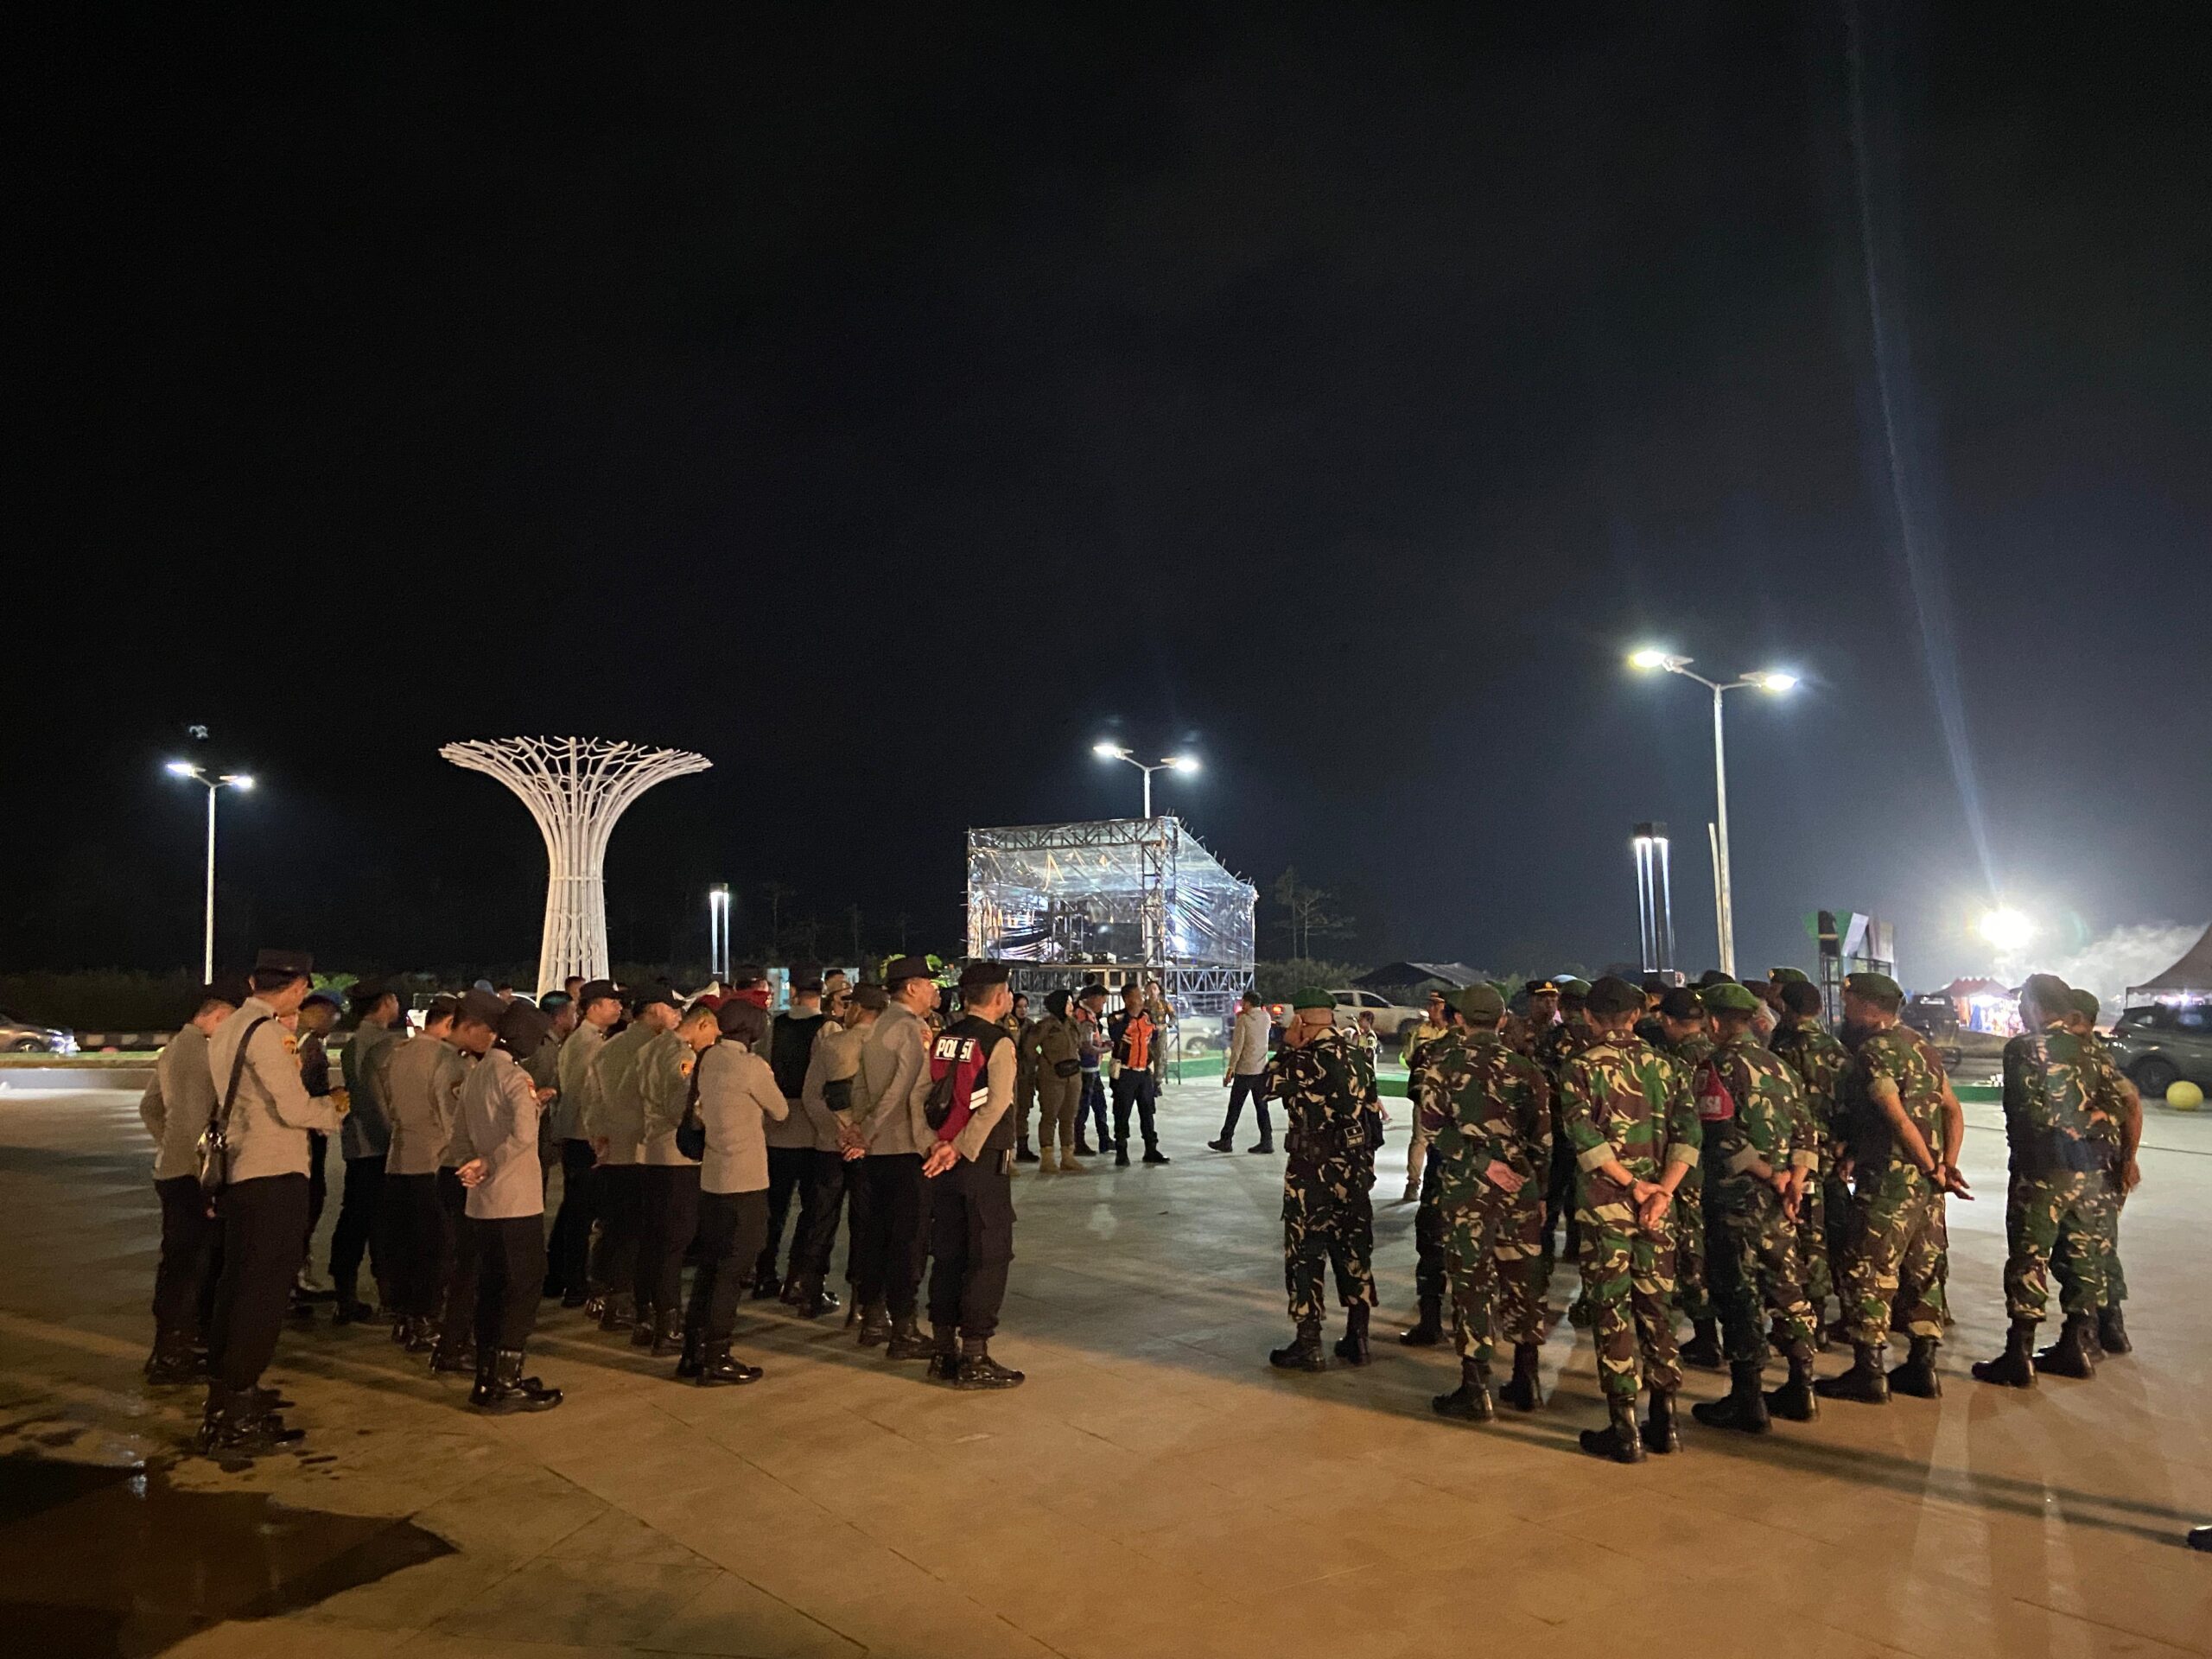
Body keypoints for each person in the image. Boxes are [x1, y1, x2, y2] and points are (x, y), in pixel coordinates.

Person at [196, 949, 340, 1456]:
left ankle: (230, 1394)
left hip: (244, 1173)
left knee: (237, 1286)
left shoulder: (230, 1026)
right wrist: (334, 1108)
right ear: (297, 988)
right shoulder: (267, 1033)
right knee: (261, 1293)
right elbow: (295, 1107)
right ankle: (235, 1414)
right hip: (273, 1174)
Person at [1556, 975, 1700, 1463]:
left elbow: (1584, 1137)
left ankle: (1624, 1428)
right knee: (1658, 1308)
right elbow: (1688, 1137)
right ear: (1637, 1015)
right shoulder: (1669, 1066)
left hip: (1606, 1207)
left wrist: (1631, 1184)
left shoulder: (1578, 1068)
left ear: (1588, 1016)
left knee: (1611, 1311)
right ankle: (1666, 1421)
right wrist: (1662, 1192)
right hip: (1659, 1208)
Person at [1820, 972, 1969, 1404]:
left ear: (1868, 1006)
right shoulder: (1923, 1047)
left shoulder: (1875, 1050)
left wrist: (1929, 1165)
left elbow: (1896, 1116)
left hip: (1891, 1180)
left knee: (1868, 1269)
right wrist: (1945, 1166)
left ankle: (1869, 1372)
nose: (1845, 1007)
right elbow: (1953, 1110)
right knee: (1924, 1271)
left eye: (1850, 1000)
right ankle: (1922, 1366)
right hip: (1927, 1186)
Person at [1686, 982, 1821, 1433]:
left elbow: (1721, 1138)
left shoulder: (1715, 1067)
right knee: (1786, 1287)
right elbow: (1807, 1132)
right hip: (1781, 1204)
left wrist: (1771, 1175)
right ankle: (1802, 1387)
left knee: (1738, 1293)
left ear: (1716, 1021)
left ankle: (1748, 1400)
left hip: (1736, 1201)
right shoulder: (1781, 1067)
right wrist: (1794, 1180)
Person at [1421, 984, 1551, 1422]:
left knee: (1472, 1281)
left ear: (1459, 1020)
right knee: (1524, 1279)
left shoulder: (1443, 1065)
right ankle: (1527, 1380)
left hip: (1468, 1191)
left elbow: (1433, 1128)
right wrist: (1539, 1191)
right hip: (1520, 1188)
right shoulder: (1526, 1069)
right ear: (1502, 1021)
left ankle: (1476, 1388)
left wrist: (1480, 1162)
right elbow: (1543, 1140)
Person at [1974, 972, 2108, 1388]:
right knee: (2081, 1253)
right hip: (2088, 1171)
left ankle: (2019, 1355)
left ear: (2034, 1006)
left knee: (2030, 1256)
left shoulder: (2023, 1049)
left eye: (2022, 1004)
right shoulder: (2093, 1050)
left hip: (2041, 1169)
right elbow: (2121, 1102)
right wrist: (2092, 1123)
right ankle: (2076, 1345)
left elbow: (2028, 1114)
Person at [449, 991, 562, 1413]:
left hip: (482, 1201)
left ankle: (486, 1375)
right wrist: (490, 1162)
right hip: (516, 1200)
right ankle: (506, 1380)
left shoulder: (477, 1073)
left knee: (491, 1289)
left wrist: (471, 1163)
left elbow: (460, 1133)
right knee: (522, 1287)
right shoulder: (515, 1078)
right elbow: (522, 1138)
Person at [921, 961, 1027, 1387]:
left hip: (939, 1160)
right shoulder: (997, 1041)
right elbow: (996, 1103)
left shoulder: (943, 1037)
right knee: (988, 1254)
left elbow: (919, 1095)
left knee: (948, 1253)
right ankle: (974, 1356)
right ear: (999, 997)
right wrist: (960, 1147)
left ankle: (943, 1351)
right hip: (980, 1161)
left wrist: (934, 1144)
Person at [1267, 989, 1378, 1371]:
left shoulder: (1304, 1060)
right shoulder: (1359, 1056)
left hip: (1311, 1172)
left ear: (1300, 1021)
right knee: (1354, 1250)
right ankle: (1358, 1339)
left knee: (1306, 1252)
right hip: (1354, 1168)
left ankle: (1309, 1344)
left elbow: (1263, 1086)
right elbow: (1371, 1115)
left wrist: (1286, 1047)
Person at [139, 979, 241, 1384]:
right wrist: (201, 1165)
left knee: (177, 1262)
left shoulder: (172, 1050)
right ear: (218, 1016)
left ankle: (170, 1348)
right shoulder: (206, 1054)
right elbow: (206, 1121)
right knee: (190, 1266)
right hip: (192, 1175)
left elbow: (149, 1107)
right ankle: (175, 1354)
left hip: (170, 1170)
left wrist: (169, 1144)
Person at [683, 997, 789, 1382]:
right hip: (745, 1179)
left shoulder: (709, 1060)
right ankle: (717, 1354)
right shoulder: (750, 1066)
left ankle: (694, 1351)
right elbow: (780, 1110)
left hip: (713, 1178)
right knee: (733, 1269)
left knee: (711, 1267)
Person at [841, 955, 941, 1359]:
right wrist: (867, 1129)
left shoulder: (878, 1025)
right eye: (929, 983)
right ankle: (904, 1327)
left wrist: (859, 1127)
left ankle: (874, 1316)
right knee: (908, 1240)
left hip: (878, 1150)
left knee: (876, 1235)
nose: (934, 990)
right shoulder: (910, 1028)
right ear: (912, 987)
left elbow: (861, 1087)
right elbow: (901, 1090)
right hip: (904, 1145)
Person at [582, 987, 681, 1332]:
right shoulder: (659, 1049)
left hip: (613, 1150)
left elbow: (591, 1102)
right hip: (647, 1151)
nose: (676, 1016)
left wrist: (599, 1140)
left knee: (618, 1228)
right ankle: (637, 1305)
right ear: (653, 1011)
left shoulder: (608, 1048)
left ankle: (610, 1300)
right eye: (671, 1009)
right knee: (644, 1234)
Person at [1767, 974, 1852, 1338]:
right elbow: (1854, 1105)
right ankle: (1839, 1312)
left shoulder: (1783, 1050)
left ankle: (1809, 1320)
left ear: (1786, 1007)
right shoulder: (1837, 1050)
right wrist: (1847, 1147)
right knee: (1836, 1234)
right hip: (1833, 1155)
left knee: (1805, 1236)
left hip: (1798, 1157)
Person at [382, 995, 464, 1356]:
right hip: (432, 1161)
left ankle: (402, 1316)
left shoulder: (398, 1053)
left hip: (398, 1158)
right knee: (436, 1248)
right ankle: (424, 1320)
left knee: (405, 1245)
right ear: (449, 1024)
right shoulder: (446, 1058)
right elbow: (450, 1117)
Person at [786, 984, 875, 1312]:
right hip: (871, 1149)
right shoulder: (888, 1045)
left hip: (829, 1146)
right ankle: (863, 1300)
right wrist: (861, 1137)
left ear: (859, 1009)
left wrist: (837, 1133)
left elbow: (811, 1096)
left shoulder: (832, 1044)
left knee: (820, 1218)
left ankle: (810, 1290)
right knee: (867, 1222)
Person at [2062, 988, 2140, 1355]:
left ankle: (2086, 1334)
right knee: (2103, 1245)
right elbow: (2132, 1105)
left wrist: (2128, 1160)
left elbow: (2132, 1105)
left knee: (2078, 1248)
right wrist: (2128, 1159)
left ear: (2076, 1018)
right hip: (2106, 1163)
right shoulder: (2100, 1054)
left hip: (2090, 1167)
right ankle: (2112, 1327)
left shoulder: (2081, 1056)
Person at [634, 998, 711, 1356]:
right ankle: (669, 1324)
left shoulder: (649, 1048)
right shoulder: (682, 1055)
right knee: (673, 1243)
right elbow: (680, 1106)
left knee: (653, 1241)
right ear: (702, 1024)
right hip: (676, 1156)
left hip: (650, 1152)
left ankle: (646, 1316)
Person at [1655, 986, 1720, 1369]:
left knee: (1692, 1254)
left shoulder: (1674, 1064)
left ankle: (1706, 1337)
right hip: (1724, 1171)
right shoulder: (1721, 1056)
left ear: (1667, 1020)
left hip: (1688, 1174)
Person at [757, 968, 832, 1300]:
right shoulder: (827, 1028)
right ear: (822, 993)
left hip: (776, 1127)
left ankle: (764, 1274)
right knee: (812, 1211)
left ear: (794, 991)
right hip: (813, 1129)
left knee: (774, 1209)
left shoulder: (776, 1026)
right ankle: (796, 1278)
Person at [329, 980, 402, 1325]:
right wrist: (393, 1138)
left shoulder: (355, 1043)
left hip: (359, 1146)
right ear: (385, 1003)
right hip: (376, 1147)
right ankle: (382, 1295)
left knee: (357, 1220)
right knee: (376, 1223)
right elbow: (376, 1103)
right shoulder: (381, 1044)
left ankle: (347, 1293)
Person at [548, 979, 621, 1308]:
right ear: (593, 1008)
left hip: (580, 1134)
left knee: (574, 1210)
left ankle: (558, 1276)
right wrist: (595, 1136)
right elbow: (582, 1095)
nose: (619, 1007)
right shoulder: (587, 1044)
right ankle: (574, 1283)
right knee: (581, 1213)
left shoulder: (588, 1039)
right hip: (583, 1136)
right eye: (612, 1002)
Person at [293, 987, 344, 1303]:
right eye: (334, 1019)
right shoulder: (307, 1044)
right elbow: (307, 1094)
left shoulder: (299, 1039)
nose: (333, 1026)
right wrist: (332, 1101)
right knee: (309, 1203)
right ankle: (298, 1277)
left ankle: (296, 1276)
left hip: (305, 1133)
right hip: (308, 1135)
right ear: (321, 1012)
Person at [1107, 982, 1170, 1166]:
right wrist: (1130, 1018)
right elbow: (1115, 1035)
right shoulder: (1117, 1018)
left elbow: (1154, 1037)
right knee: (1122, 1112)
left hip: (1143, 1073)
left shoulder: (1147, 1016)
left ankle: (1151, 1149)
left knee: (1147, 1111)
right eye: (1137, 996)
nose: (1142, 998)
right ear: (1127, 999)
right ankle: (1121, 1151)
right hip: (1125, 1073)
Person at [1211, 988, 1278, 1155]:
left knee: (1235, 1107)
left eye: (1243, 1002)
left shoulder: (1243, 1020)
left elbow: (1238, 1046)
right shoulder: (1266, 1017)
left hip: (1245, 1069)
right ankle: (1267, 1141)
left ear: (1248, 1003)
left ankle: (1226, 1140)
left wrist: (1231, 1068)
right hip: (1261, 1069)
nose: (1242, 1005)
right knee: (1262, 1107)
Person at [1027, 989, 1085, 1173]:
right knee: (1050, 1116)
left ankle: (1068, 1157)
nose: (1071, 1006)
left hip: (1073, 1076)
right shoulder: (1045, 1025)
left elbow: (1079, 1045)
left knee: (1069, 1117)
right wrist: (1043, 1063)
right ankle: (1047, 1158)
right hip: (1052, 1077)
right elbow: (1029, 1047)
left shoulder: (1073, 1024)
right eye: (1068, 1002)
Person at [1072, 983, 1111, 1155]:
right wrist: (1104, 1049)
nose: (1103, 1005)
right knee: (1083, 1107)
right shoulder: (1085, 1017)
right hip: (1086, 1068)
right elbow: (1086, 1046)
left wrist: (1101, 1045)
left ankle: (1105, 1139)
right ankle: (1079, 1142)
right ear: (1093, 998)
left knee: (1099, 1104)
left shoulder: (1085, 1014)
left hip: (1092, 1067)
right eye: (1102, 1001)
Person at [1006, 991, 1040, 1164]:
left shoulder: (1031, 1026)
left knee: (1023, 1111)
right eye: (1019, 1006)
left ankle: (1022, 1147)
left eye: (1026, 1006)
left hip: (1026, 1074)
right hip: (1009, 1074)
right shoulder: (1004, 1024)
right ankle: (1008, 1150)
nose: (1023, 1010)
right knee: (1009, 1112)